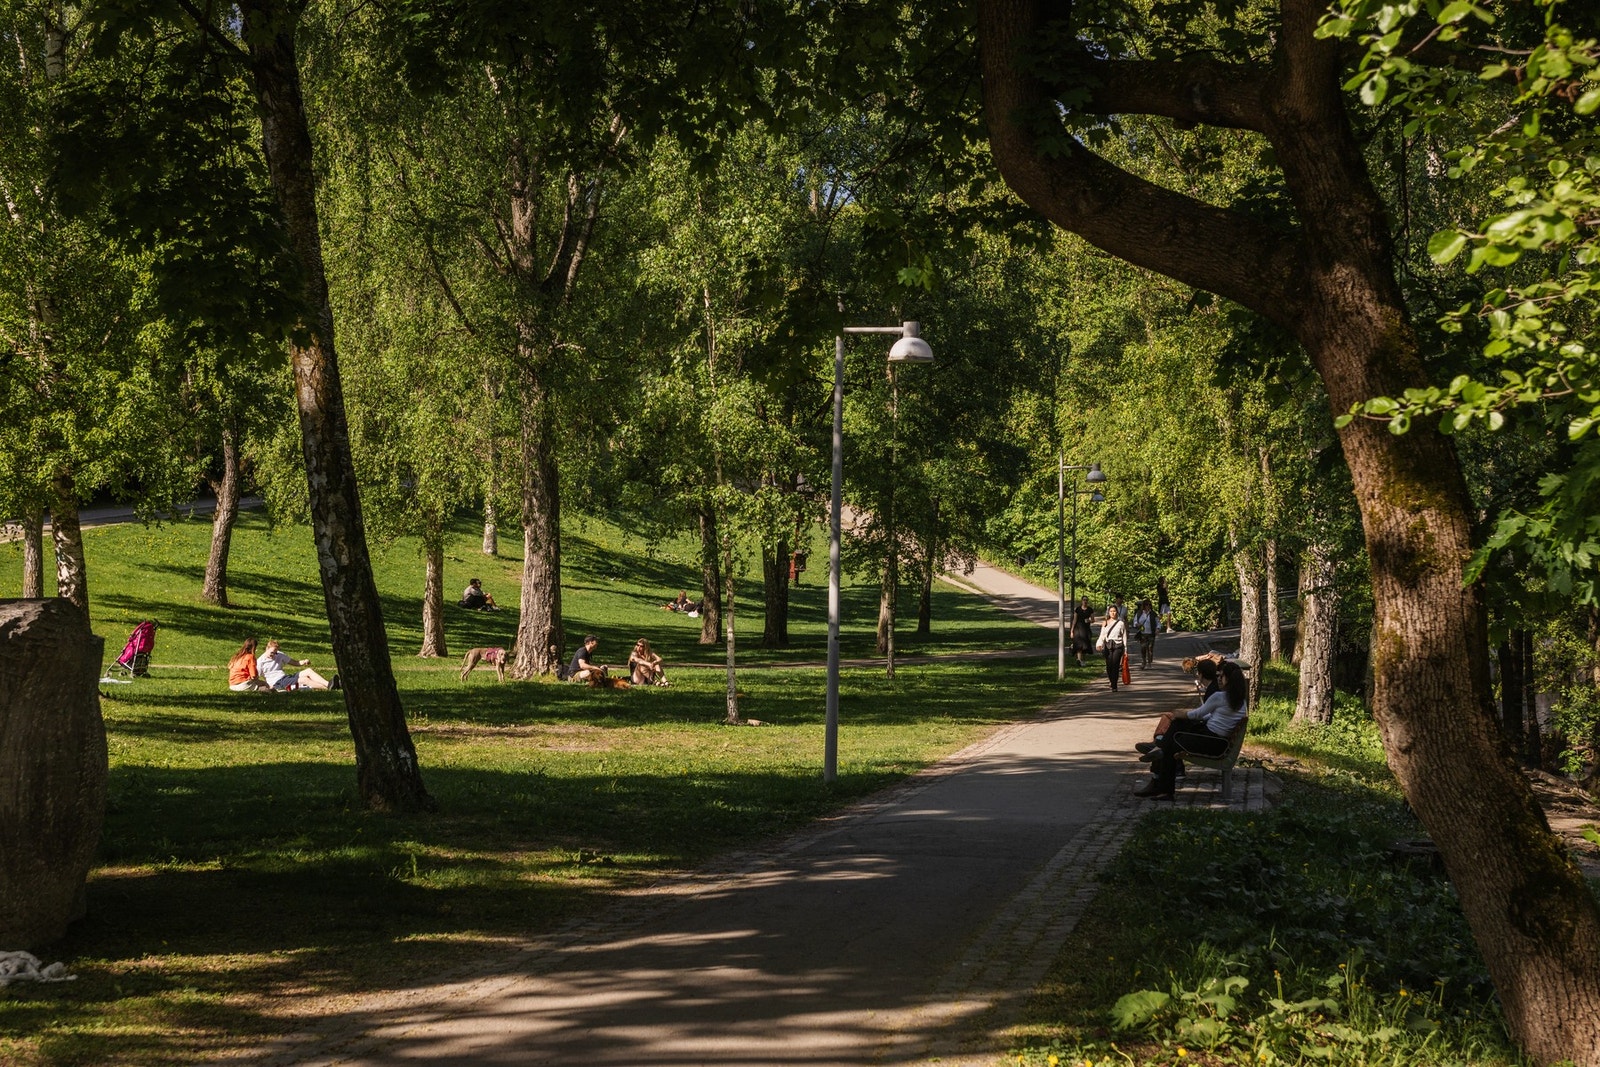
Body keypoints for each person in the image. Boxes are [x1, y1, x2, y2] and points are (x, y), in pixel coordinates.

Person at [1134, 660, 1249, 799]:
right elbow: (1212, 717)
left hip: (1211, 741)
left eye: (1221, 676)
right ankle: (1159, 751)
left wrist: (1179, 713)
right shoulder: (1239, 700)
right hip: (1219, 742)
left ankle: (1164, 783)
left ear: (1228, 680)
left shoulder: (1220, 696)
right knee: (1177, 728)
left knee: (1171, 742)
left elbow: (1197, 714)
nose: (1218, 678)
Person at [256, 639, 335, 691]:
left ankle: (328, 684)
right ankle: (329, 687)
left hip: (285, 677)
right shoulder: (260, 661)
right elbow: (256, 677)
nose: (273, 655)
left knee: (308, 671)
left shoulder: (279, 654)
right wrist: (267, 686)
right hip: (277, 682)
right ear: (267, 648)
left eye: (275, 652)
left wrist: (303, 661)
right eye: (272, 652)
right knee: (304, 679)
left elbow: (294, 662)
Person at [1095, 605, 1127, 692]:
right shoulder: (1105, 623)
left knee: (1115, 665)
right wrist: (1099, 644)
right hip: (1108, 646)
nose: (1113, 613)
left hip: (1118, 646)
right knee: (1109, 666)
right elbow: (1102, 635)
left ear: (1117, 612)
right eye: (1111, 611)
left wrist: (1125, 649)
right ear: (1108, 612)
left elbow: (1124, 636)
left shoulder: (1121, 623)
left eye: (1114, 611)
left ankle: (1114, 685)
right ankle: (1112, 681)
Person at [1132, 598, 1158, 668]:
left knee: (1150, 648)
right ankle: (1144, 661)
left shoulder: (1153, 614)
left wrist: (1157, 629)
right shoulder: (1139, 613)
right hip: (1143, 633)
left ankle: (1149, 662)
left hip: (1151, 633)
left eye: (1149, 605)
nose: (1147, 606)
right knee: (1143, 648)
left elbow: (1158, 623)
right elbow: (1134, 622)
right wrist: (1137, 624)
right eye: (1146, 605)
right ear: (1143, 605)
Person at [1071, 596, 1095, 667]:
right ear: (1081, 601)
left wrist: (1089, 620)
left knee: (1085, 646)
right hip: (1078, 629)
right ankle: (1079, 660)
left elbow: (1093, 620)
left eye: (1086, 600)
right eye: (1084, 600)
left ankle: (1082, 660)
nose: (1085, 601)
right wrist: (1072, 630)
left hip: (1086, 630)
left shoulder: (1090, 610)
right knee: (1079, 645)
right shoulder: (1078, 609)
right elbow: (1074, 620)